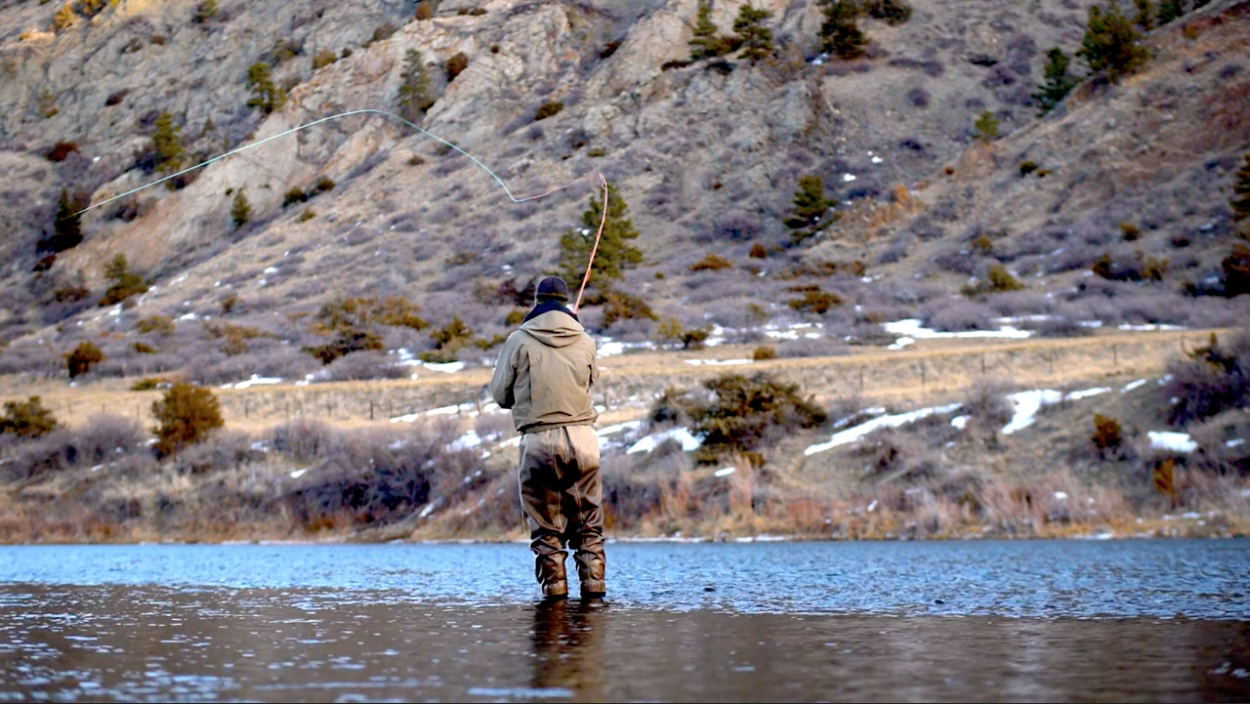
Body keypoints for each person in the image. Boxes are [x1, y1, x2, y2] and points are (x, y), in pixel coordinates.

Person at [489, 275, 604, 600]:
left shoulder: (519, 340)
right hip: (584, 441)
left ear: (537, 302)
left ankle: (555, 599)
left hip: (538, 442)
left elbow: (500, 395)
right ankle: (594, 593)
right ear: (566, 302)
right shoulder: (586, 340)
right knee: (588, 523)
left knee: (546, 526)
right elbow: (591, 381)